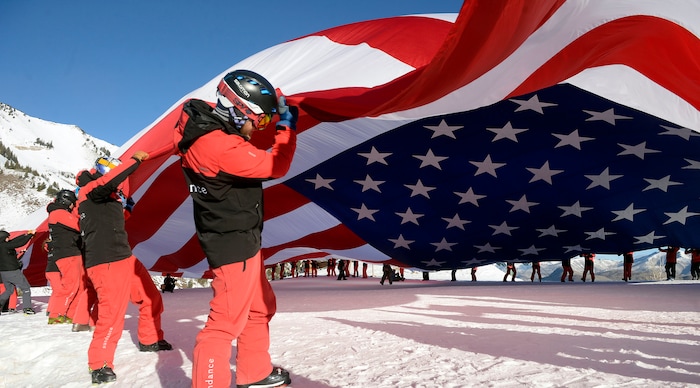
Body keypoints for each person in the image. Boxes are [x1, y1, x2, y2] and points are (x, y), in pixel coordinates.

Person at [175, 69, 297, 388]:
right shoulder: (218, 145)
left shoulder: (210, 132)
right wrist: (285, 127)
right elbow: (276, 165)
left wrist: (271, 107)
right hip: (231, 245)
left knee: (259, 307)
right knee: (223, 326)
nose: (258, 128)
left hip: (241, 239)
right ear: (238, 109)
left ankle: (253, 372)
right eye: (259, 121)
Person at [76, 153, 172, 385]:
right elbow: (109, 182)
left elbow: (112, 217)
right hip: (106, 260)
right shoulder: (88, 190)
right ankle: (100, 364)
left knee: (150, 297)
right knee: (112, 314)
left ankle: (150, 339)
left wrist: (125, 206)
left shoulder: (105, 197)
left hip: (123, 256)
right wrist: (135, 161)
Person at [46, 189, 85, 324]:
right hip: (67, 253)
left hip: (71, 251)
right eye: (72, 204)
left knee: (80, 285)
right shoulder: (58, 213)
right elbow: (79, 225)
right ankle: (57, 314)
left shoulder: (58, 212)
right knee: (70, 285)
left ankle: (70, 314)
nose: (73, 207)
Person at [0, 230, 36, 315]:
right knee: (26, 287)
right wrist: (29, 236)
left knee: (9, 290)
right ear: (4, 238)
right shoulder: (5, 246)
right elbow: (18, 243)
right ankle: (27, 308)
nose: (9, 238)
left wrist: (26, 234)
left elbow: (14, 241)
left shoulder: (3, 245)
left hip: (3, 272)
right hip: (12, 270)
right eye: (8, 237)